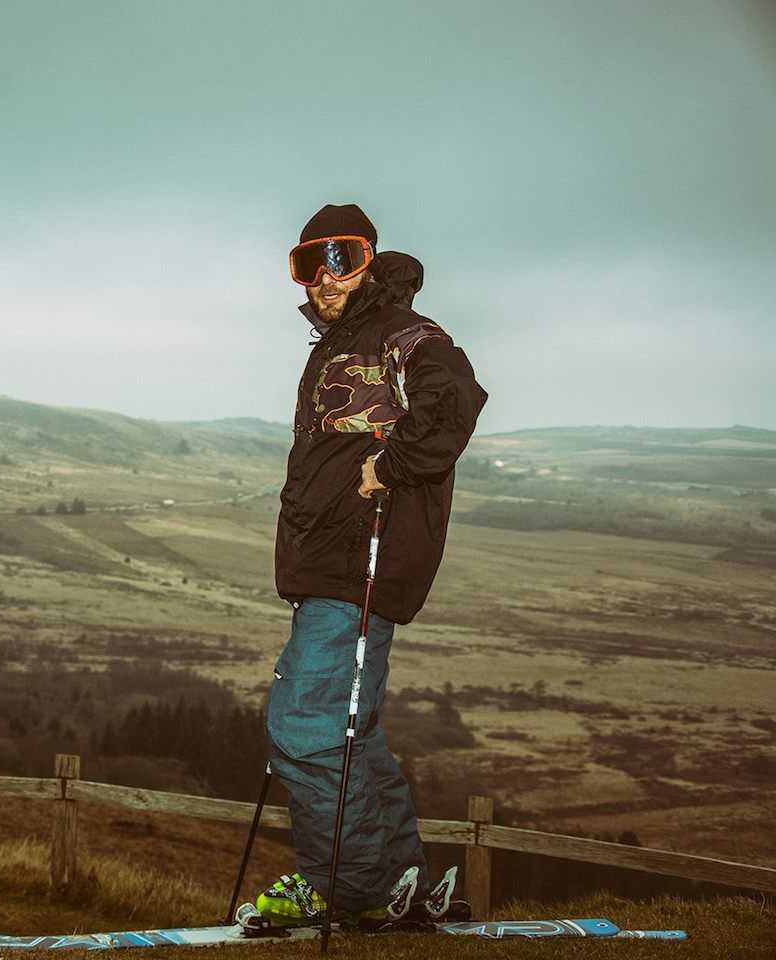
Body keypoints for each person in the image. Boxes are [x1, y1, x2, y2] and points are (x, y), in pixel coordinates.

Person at [256, 203, 487, 927]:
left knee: (304, 726)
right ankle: (398, 880)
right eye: (307, 263)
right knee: (351, 731)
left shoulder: (401, 332)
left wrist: (391, 466)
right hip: (333, 560)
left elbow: (455, 399)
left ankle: (345, 887)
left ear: (369, 260)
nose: (323, 278)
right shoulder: (340, 342)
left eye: (341, 258)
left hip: (359, 561)